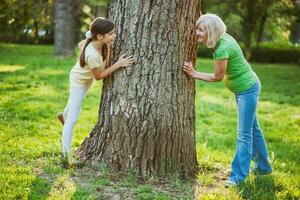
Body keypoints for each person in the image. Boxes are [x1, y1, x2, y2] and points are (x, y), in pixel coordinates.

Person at [183, 14, 272, 187]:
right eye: (197, 28)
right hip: (245, 88)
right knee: (253, 129)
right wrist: (203, 18)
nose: (197, 33)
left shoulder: (223, 48)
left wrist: (193, 74)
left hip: (247, 90)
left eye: (201, 30)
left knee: (244, 134)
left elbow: (217, 77)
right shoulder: (223, 38)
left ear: (211, 31)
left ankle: (238, 177)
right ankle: (263, 167)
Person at [57, 17, 134, 163]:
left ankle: (63, 115)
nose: (114, 36)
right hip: (79, 80)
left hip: (87, 77)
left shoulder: (93, 37)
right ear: (100, 36)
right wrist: (119, 64)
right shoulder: (92, 55)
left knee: (72, 105)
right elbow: (100, 76)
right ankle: (65, 155)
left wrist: (109, 47)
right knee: (73, 118)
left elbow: (95, 54)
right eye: (111, 33)